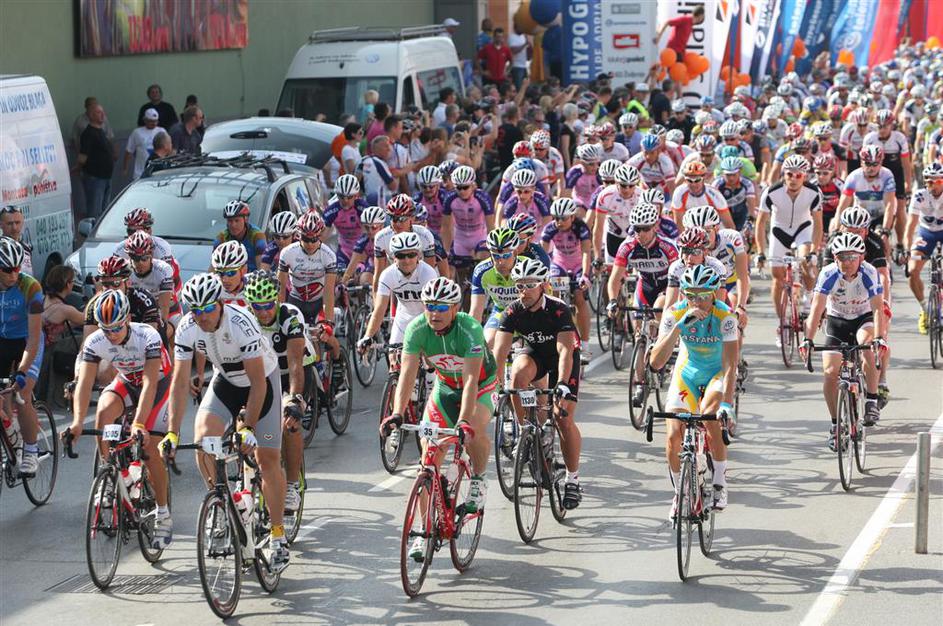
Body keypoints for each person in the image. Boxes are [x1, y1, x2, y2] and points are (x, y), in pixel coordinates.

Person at [162, 273, 290, 573]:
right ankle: (221, 503)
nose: (203, 316)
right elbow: (179, 383)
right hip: (227, 381)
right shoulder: (187, 328)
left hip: (262, 381)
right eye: (196, 310)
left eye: (208, 308)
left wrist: (248, 427)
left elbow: (258, 384)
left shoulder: (241, 324)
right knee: (203, 441)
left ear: (220, 303)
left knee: (267, 459)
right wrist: (171, 433)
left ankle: (278, 536)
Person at [382, 277, 497, 559]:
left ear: (456, 308)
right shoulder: (417, 328)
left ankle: (479, 479)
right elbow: (407, 374)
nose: (434, 313)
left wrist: (463, 421)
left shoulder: (470, 329)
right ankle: (423, 531)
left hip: (481, 386)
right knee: (428, 460)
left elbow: (471, 381)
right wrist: (397, 413)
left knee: (473, 431)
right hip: (445, 388)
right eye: (430, 306)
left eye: (442, 307)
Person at [66, 289, 174, 548]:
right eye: (106, 329)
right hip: (127, 380)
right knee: (103, 413)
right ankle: (109, 472)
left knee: (150, 449)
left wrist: (139, 423)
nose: (111, 334)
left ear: (127, 319)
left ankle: (163, 513)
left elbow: (149, 383)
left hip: (158, 384)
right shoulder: (96, 341)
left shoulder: (146, 336)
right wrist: (77, 422)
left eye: (116, 328)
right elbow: (85, 383)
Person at [493, 257, 584, 509]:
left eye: (530, 285)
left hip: (563, 358)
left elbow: (564, 351)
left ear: (543, 285)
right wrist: (496, 385)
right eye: (519, 285)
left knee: (563, 418)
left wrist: (562, 383)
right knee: (517, 375)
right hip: (536, 354)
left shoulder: (558, 309)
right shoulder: (513, 311)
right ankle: (525, 431)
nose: (524, 291)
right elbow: (499, 352)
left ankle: (573, 479)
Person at [649, 264, 738, 514]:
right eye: (690, 295)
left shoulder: (725, 317)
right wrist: (678, 328)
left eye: (703, 296)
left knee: (710, 417)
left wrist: (726, 405)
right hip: (687, 372)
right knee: (672, 435)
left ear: (715, 293)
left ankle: (719, 482)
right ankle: (680, 492)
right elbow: (656, 363)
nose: (697, 302)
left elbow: (730, 365)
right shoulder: (675, 313)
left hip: (716, 371)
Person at [801, 233, 886, 441]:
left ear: (861, 257)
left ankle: (871, 399)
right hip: (837, 320)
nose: (847, 262)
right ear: (834, 258)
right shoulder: (828, 273)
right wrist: (807, 340)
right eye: (841, 257)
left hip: (863, 317)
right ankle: (835, 424)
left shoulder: (869, 272)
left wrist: (879, 337)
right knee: (830, 372)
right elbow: (816, 309)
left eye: (852, 257)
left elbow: (877, 309)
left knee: (868, 345)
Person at [242, 270, 311, 514]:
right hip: (261, 374)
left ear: (277, 300)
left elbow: (295, 365)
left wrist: (294, 399)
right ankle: (245, 482)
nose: (263, 312)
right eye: (257, 306)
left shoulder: (290, 316)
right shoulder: (244, 319)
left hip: (291, 372)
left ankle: (292, 484)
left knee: (288, 422)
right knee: (243, 419)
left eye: (268, 305)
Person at [756, 155, 823, 339]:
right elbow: (760, 224)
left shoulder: (814, 192)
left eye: (798, 175)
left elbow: (818, 225)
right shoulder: (771, 192)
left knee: (806, 260)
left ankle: (808, 297)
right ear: (783, 174)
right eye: (789, 174)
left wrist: (814, 250)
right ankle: (783, 322)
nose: (793, 179)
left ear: (805, 176)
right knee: (777, 279)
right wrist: (760, 252)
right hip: (779, 232)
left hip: (803, 229)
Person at [358, 231, 438, 364]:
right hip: (403, 318)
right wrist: (367, 336)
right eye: (401, 256)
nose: (406, 260)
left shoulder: (428, 273)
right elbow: (379, 309)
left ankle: (429, 376)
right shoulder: (387, 275)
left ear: (418, 255)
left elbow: (432, 309)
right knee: (394, 360)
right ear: (393, 257)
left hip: (426, 318)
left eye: (411, 255)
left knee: (428, 363)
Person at [0, 237, 44, 476]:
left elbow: (34, 339)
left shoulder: (31, 288)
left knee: (22, 393)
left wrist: (21, 371)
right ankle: (10, 434)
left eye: (17, 268)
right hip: (2, 340)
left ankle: (31, 450)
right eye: (7, 270)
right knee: (2, 396)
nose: (14, 275)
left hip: (27, 341)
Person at [541, 197, 593, 355]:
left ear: (572, 217)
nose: (559, 222)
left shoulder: (581, 228)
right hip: (560, 264)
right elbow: (543, 255)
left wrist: (585, 275)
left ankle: (585, 344)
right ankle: (555, 334)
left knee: (579, 298)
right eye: (556, 218)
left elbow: (586, 252)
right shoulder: (549, 229)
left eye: (563, 218)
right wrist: (543, 275)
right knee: (555, 298)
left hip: (578, 265)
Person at [277, 212, 336, 328]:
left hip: (319, 303)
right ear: (298, 235)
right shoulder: (287, 253)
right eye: (305, 239)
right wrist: (279, 315)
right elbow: (281, 287)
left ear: (320, 236)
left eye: (314, 239)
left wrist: (328, 322)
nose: (310, 244)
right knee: (292, 334)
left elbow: (329, 291)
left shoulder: (328, 255)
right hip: (295, 301)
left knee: (325, 335)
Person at [906, 162, 943, 334]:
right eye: (929, 181)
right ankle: (925, 309)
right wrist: (906, 250)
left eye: (937, 181)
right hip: (926, 233)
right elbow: (911, 224)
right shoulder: (920, 195)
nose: (932, 185)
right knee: (912, 270)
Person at [72, 102, 115, 219]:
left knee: (105, 211)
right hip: (95, 177)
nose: (102, 115)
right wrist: (78, 167)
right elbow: (83, 155)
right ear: (91, 115)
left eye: (103, 112)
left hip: (106, 176)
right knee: (95, 210)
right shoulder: (89, 133)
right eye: (99, 112)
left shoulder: (101, 131)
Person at [213, 200, 267, 272]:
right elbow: (214, 267)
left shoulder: (257, 236)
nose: (233, 225)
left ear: (245, 219)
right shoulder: (221, 238)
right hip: (231, 276)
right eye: (230, 221)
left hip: (252, 275)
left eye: (237, 220)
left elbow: (262, 267)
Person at [358, 135, 398, 207]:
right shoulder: (378, 163)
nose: (389, 149)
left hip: (366, 201)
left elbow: (356, 181)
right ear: (378, 149)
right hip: (380, 202)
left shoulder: (363, 160)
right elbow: (393, 186)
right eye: (386, 146)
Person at [124, 108, 162, 181]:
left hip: (158, 173)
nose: (154, 123)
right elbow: (129, 150)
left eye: (155, 121)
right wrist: (125, 168)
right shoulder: (137, 132)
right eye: (151, 121)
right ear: (145, 120)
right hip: (140, 173)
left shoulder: (162, 131)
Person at [0, 206, 32, 277]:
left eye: (17, 223)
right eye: (9, 223)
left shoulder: (26, 248)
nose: (14, 228)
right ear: (1, 225)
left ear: (22, 223)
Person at [507, 23, 529, 90]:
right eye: (520, 27)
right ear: (515, 28)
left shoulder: (523, 37)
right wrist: (524, 44)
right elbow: (514, 51)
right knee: (518, 88)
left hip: (524, 65)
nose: (522, 29)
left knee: (525, 87)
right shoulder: (512, 37)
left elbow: (527, 51)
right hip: (516, 66)